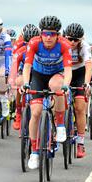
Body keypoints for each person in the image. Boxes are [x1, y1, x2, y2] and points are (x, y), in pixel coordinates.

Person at [21, 16, 72, 170]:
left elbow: (68, 70)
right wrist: (25, 83)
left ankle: (61, 124)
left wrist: (65, 85)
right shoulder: (34, 43)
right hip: (38, 75)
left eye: (52, 34)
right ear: (40, 34)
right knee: (35, 112)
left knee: (56, 86)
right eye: (45, 34)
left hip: (57, 74)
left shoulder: (64, 45)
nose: (48, 37)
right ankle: (35, 152)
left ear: (58, 35)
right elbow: (27, 67)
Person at [63, 23, 92, 158]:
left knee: (80, 108)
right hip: (64, 73)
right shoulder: (61, 44)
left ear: (81, 39)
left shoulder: (85, 47)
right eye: (70, 39)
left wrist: (86, 83)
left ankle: (80, 143)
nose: (73, 42)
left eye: (76, 40)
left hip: (79, 74)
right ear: (65, 37)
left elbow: (88, 67)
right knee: (56, 99)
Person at [11, 24, 40, 130]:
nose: (30, 46)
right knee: (19, 83)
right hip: (25, 70)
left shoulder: (42, 49)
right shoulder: (20, 48)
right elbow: (14, 65)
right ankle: (18, 113)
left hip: (38, 72)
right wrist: (12, 80)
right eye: (27, 43)